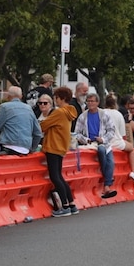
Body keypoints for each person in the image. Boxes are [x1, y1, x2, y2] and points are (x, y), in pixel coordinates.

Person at [38, 86, 79, 217]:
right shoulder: (69, 112)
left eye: (55, 98)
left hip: (53, 146)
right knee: (60, 176)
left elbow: (43, 125)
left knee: (55, 177)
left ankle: (65, 206)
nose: (55, 100)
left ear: (61, 98)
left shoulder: (59, 112)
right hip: (61, 146)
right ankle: (71, 204)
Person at [75, 93, 117, 198]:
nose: (90, 103)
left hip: (103, 142)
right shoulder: (83, 116)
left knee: (109, 159)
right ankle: (107, 183)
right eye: (88, 101)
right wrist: (86, 140)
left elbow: (111, 130)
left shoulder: (104, 114)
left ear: (97, 102)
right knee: (102, 152)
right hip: (89, 143)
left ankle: (107, 185)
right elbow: (77, 133)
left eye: (92, 101)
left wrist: (103, 139)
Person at [0, 85, 42, 155]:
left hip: (8, 146)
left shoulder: (4, 107)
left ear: (8, 96)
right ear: (21, 96)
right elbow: (38, 133)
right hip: (25, 149)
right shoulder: (29, 108)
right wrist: (32, 149)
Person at [104, 94, 134, 185]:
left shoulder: (101, 113)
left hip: (104, 141)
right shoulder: (118, 114)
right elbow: (123, 134)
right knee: (131, 148)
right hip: (116, 141)